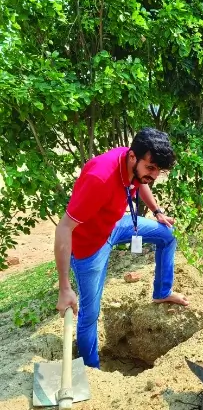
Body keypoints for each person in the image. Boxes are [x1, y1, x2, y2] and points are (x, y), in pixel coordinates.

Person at [54, 128, 189, 369]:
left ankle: (162, 292)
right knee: (89, 314)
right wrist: (64, 287)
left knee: (168, 235)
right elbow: (64, 228)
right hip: (90, 247)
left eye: (158, 170)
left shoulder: (133, 164)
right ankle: (91, 368)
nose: (154, 175)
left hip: (115, 225)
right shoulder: (100, 178)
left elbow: (140, 182)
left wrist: (157, 212)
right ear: (133, 157)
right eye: (151, 168)